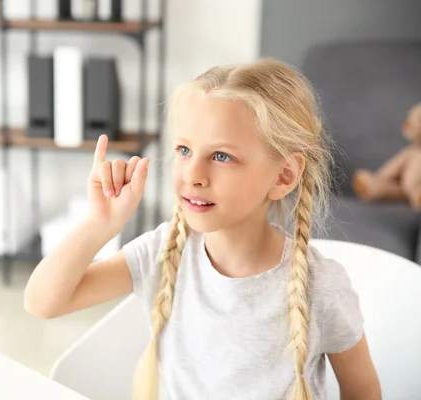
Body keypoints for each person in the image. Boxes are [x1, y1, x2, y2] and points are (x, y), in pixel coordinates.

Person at [24, 58, 381, 400]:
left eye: (221, 156)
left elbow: (363, 392)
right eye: (184, 149)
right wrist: (101, 224)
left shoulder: (322, 288)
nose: (193, 175)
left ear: (284, 175)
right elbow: (43, 303)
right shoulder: (164, 252)